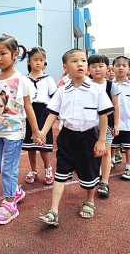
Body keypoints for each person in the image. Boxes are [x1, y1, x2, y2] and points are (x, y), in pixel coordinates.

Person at [38, 49, 114, 225]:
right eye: (74, 61)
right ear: (65, 67)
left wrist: (102, 140)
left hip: (89, 138)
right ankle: (53, 211)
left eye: (83, 61)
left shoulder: (96, 90)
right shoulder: (62, 91)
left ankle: (89, 200)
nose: (80, 64)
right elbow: (52, 114)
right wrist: (42, 132)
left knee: (88, 173)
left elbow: (104, 116)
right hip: (66, 138)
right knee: (60, 173)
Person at [0, 34, 45, 225]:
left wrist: (36, 132)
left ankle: (10, 204)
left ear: (15, 55)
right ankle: (16, 190)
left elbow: (28, 107)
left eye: (3, 53)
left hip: (14, 133)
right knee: (0, 166)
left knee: (8, 168)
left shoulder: (21, 80)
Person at [22, 47, 57, 185]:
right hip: (29, 113)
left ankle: (48, 168)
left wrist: (56, 112)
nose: (38, 62)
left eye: (41, 60)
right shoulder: (24, 79)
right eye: (35, 59)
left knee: (43, 143)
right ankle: (33, 170)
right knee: (30, 145)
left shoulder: (48, 79)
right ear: (28, 61)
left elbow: (55, 98)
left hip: (44, 112)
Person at [88, 54, 120, 197]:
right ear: (88, 69)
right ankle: (96, 175)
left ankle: (105, 182)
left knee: (106, 152)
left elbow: (116, 106)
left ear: (107, 68)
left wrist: (116, 124)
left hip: (107, 124)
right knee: (92, 151)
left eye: (101, 66)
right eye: (93, 66)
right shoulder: (85, 84)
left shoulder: (110, 85)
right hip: (89, 124)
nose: (97, 69)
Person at [110, 56, 130, 181]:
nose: (121, 68)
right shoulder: (109, 85)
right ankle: (111, 161)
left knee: (129, 147)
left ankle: (129, 168)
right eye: (117, 65)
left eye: (124, 65)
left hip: (128, 122)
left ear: (128, 69)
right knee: (112, 145)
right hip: (113, 122)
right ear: (113, 68)